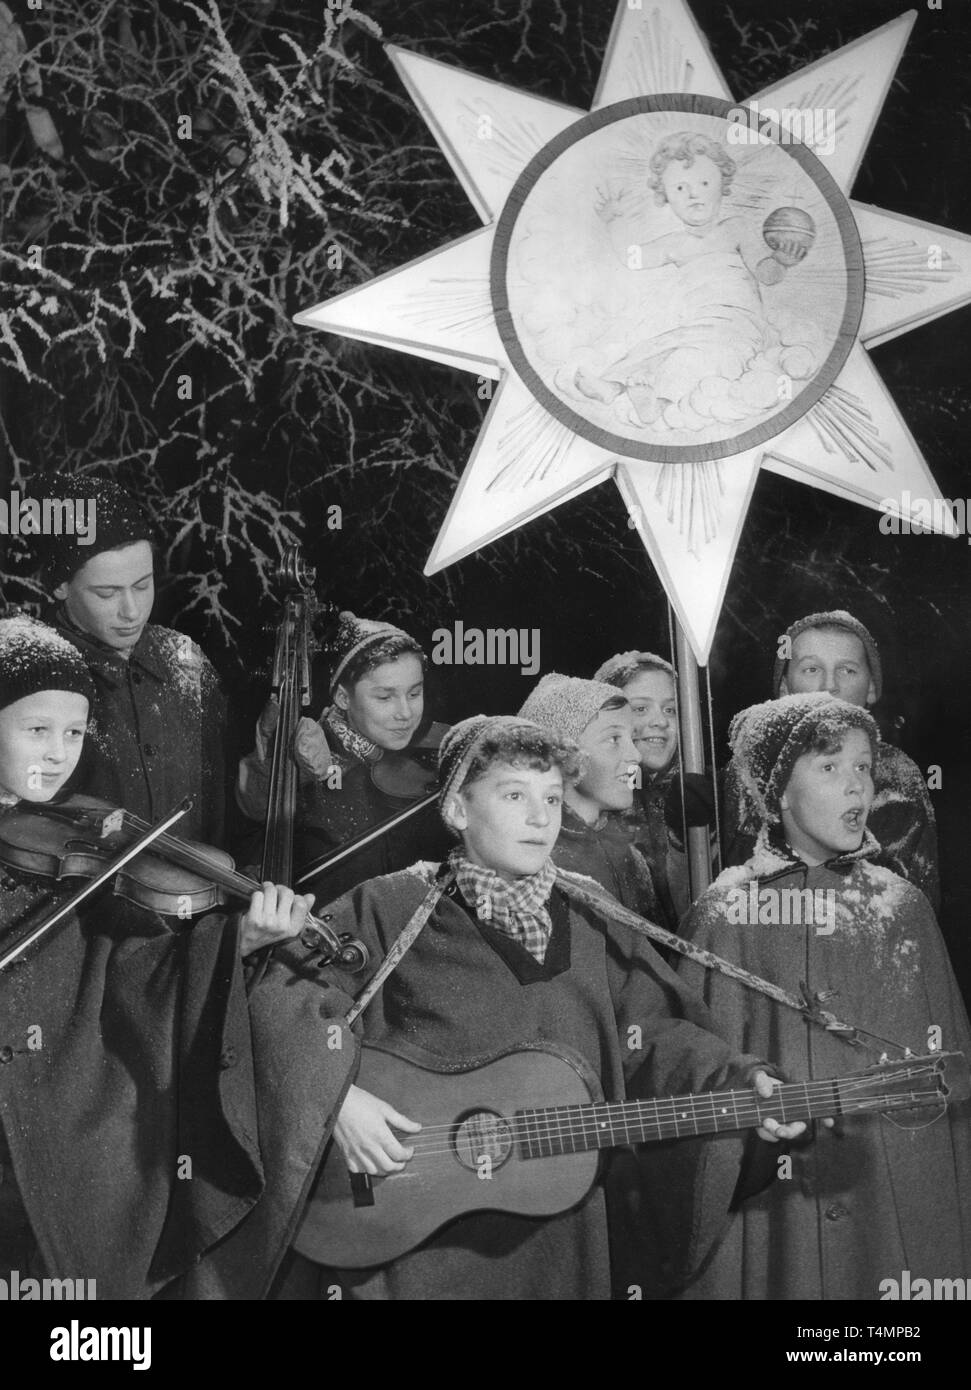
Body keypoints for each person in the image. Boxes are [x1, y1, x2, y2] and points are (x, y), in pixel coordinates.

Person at [307, 714, 809, 1300]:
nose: (541, 817)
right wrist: (337, 1096)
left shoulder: (591, 910)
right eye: (514, 795)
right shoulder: (388, 905)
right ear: (459, 810)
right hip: (420, 1244)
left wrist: (742, 1082)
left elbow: (655, 1035)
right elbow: (284, 1001)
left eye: (551, 796)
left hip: (564, 1239)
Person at [0, 615, 357, 1299]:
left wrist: (233, 942)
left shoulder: (69, 837)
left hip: (64, 1106)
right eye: (36, 729)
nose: (58, 754)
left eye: (74, 732)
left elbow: (121, 977)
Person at [677, 692, 971, 1300]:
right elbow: (694, 1079)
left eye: (863, 767)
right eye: (830, 767)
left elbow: (950, 1096)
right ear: (777, 790)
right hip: (775, 1207)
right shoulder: (724, 916)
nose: (855, 788)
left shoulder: (901, 908)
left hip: (883, 1207)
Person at [31, 472, 228, 845]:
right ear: (60, 585)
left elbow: (221, 807)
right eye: (107, 593)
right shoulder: (31, 673)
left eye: (142, 585)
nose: (132, 611)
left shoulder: (187, 662)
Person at [574, 131, 815, 429]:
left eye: (703, 183)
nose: (693, 194)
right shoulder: (676, 243)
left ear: (722, 185)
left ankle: (657, 405)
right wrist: (613, 221)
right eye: (679, 187)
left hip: (735, 325)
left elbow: (767, 275)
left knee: (696, 359)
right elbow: (632, 258)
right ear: (666, 197)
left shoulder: (736, 229)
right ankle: (615, 386)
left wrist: (781, 260)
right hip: (695, 321)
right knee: (655, 349)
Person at [723, 609, 940, 910]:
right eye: (811, 669)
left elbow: (916, 909)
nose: (830, 685)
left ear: (872, 688)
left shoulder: (900, 777)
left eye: (847, 670)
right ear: (784, 687)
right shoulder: (746, 769)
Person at [237, 610, 450, 899]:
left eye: (414, 694)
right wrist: (274, 773)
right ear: (342, 697)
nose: (405, 713)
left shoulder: (437, 743)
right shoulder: (308, 763)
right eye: (385, 697)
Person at [517, 672, 660, 920]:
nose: (635, 755)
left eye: (632, 738)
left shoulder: (631, 856)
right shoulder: (534, 866)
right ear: (562, 753)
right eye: (614, 739)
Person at [594, 649, 713, 926]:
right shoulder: (592, 798)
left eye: (670, 709)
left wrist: (685, 839)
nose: (660, 721)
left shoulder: (700, 795)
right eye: (640, 709)